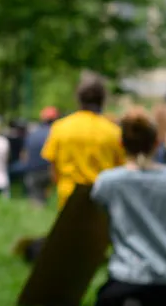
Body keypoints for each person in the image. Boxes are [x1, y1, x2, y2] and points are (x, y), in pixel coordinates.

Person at [90, 107, 166, 306]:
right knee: (165, 297)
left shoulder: (109, 181)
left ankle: (133, 305)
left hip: (129, 277)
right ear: (156, 143)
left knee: (106, 299)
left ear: (121, 144)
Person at [41, 73, 125, 210]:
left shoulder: (60, 127)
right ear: (103, 100)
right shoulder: (114, 131)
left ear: (78, 98)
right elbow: (120, 168)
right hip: (102, 199)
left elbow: (53, 168)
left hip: (68, 198)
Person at [21, 107, 57, 206]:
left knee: (36, 201)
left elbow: (24, 155)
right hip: (51, 171)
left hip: (34, 171)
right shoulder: (57, 132)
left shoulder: (32, 133)